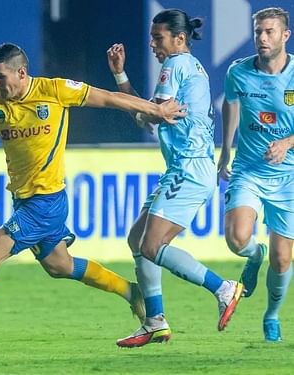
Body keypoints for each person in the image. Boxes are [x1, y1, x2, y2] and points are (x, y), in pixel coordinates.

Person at [0, 42, 186, 345]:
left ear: (22, 72)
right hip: (23, 200)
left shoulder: (54, 91)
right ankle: (132, 291)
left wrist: (156, 109)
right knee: (59, 266)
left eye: (0, 76)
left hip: (46, 203)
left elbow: (109, 99)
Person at [107, 9, 244, 348]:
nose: (153, 44)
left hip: (189, 167)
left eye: (159, 38)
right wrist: (122, 76)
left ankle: (223, 288)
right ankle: (155, 321)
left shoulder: (176, 66)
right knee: (138, 240)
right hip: (183, 168)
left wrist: (119, 81)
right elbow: (150, 116)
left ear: (179, 39)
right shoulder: (189, 68)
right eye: (152, 37)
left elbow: (147, 113)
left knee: (152, 246)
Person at [217, 7, 293, 343]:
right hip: (249, 168)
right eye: (258, 31)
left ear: (285, 36)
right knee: (236, 238)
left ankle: (272, 314)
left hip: (289, 174)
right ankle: (253, 254)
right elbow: (230, 104)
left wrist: (288, 141)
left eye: (269, 32)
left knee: (283, 257)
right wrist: (225, 152)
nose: (262, 38)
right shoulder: (238, 72)